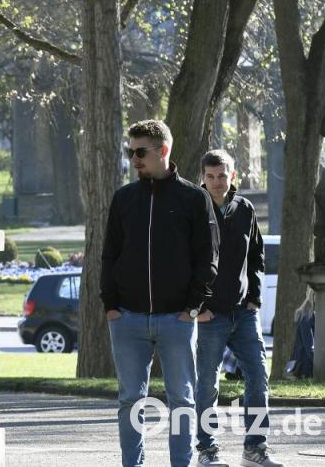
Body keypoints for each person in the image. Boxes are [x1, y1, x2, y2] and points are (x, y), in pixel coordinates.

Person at [100, 119, 220, 467]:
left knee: (181, 400)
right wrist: (111, 306)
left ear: (163, 151)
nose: (134, 160)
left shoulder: (194, 198)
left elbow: (208, 257)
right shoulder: (124, 198)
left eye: (141, 152)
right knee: (130, 401)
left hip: (177, 320)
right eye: (130, 152)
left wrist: (192, 308)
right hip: (127, 318)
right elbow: (109, 254)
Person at [194, 149, 283, 467]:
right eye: (211, 176)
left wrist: (254, 298)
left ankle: (255, 449)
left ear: (233, 176)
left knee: (258, 376)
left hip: (244, 313)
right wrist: (197, 307)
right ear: (203, 177)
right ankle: (207, 450)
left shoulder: (244, 208)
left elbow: (256, 254)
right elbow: (182, 262)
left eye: (223, 175)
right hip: (209, 316)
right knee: (207, 383)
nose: (217, 182)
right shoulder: (194, 208)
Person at [284, 288, 315, 380]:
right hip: (304, 368)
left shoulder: (313, 315)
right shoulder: (306, 318)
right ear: (313, 296)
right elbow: (310, 348)